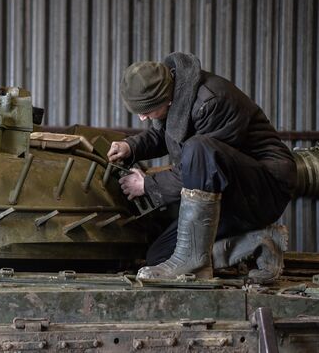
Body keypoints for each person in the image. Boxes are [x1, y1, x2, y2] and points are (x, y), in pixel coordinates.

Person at [107, 52, 297, 281]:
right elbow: (164, 133)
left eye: (146, 112)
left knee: (198, 148)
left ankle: (194, 262)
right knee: (157, 258)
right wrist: (131, 147)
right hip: (221, 193)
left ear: (165, 98)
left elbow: (202, 163)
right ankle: (259, 242)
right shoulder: (175, 94)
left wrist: (148, 185)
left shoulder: (211, 101)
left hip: (262, 189)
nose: (142, 119)